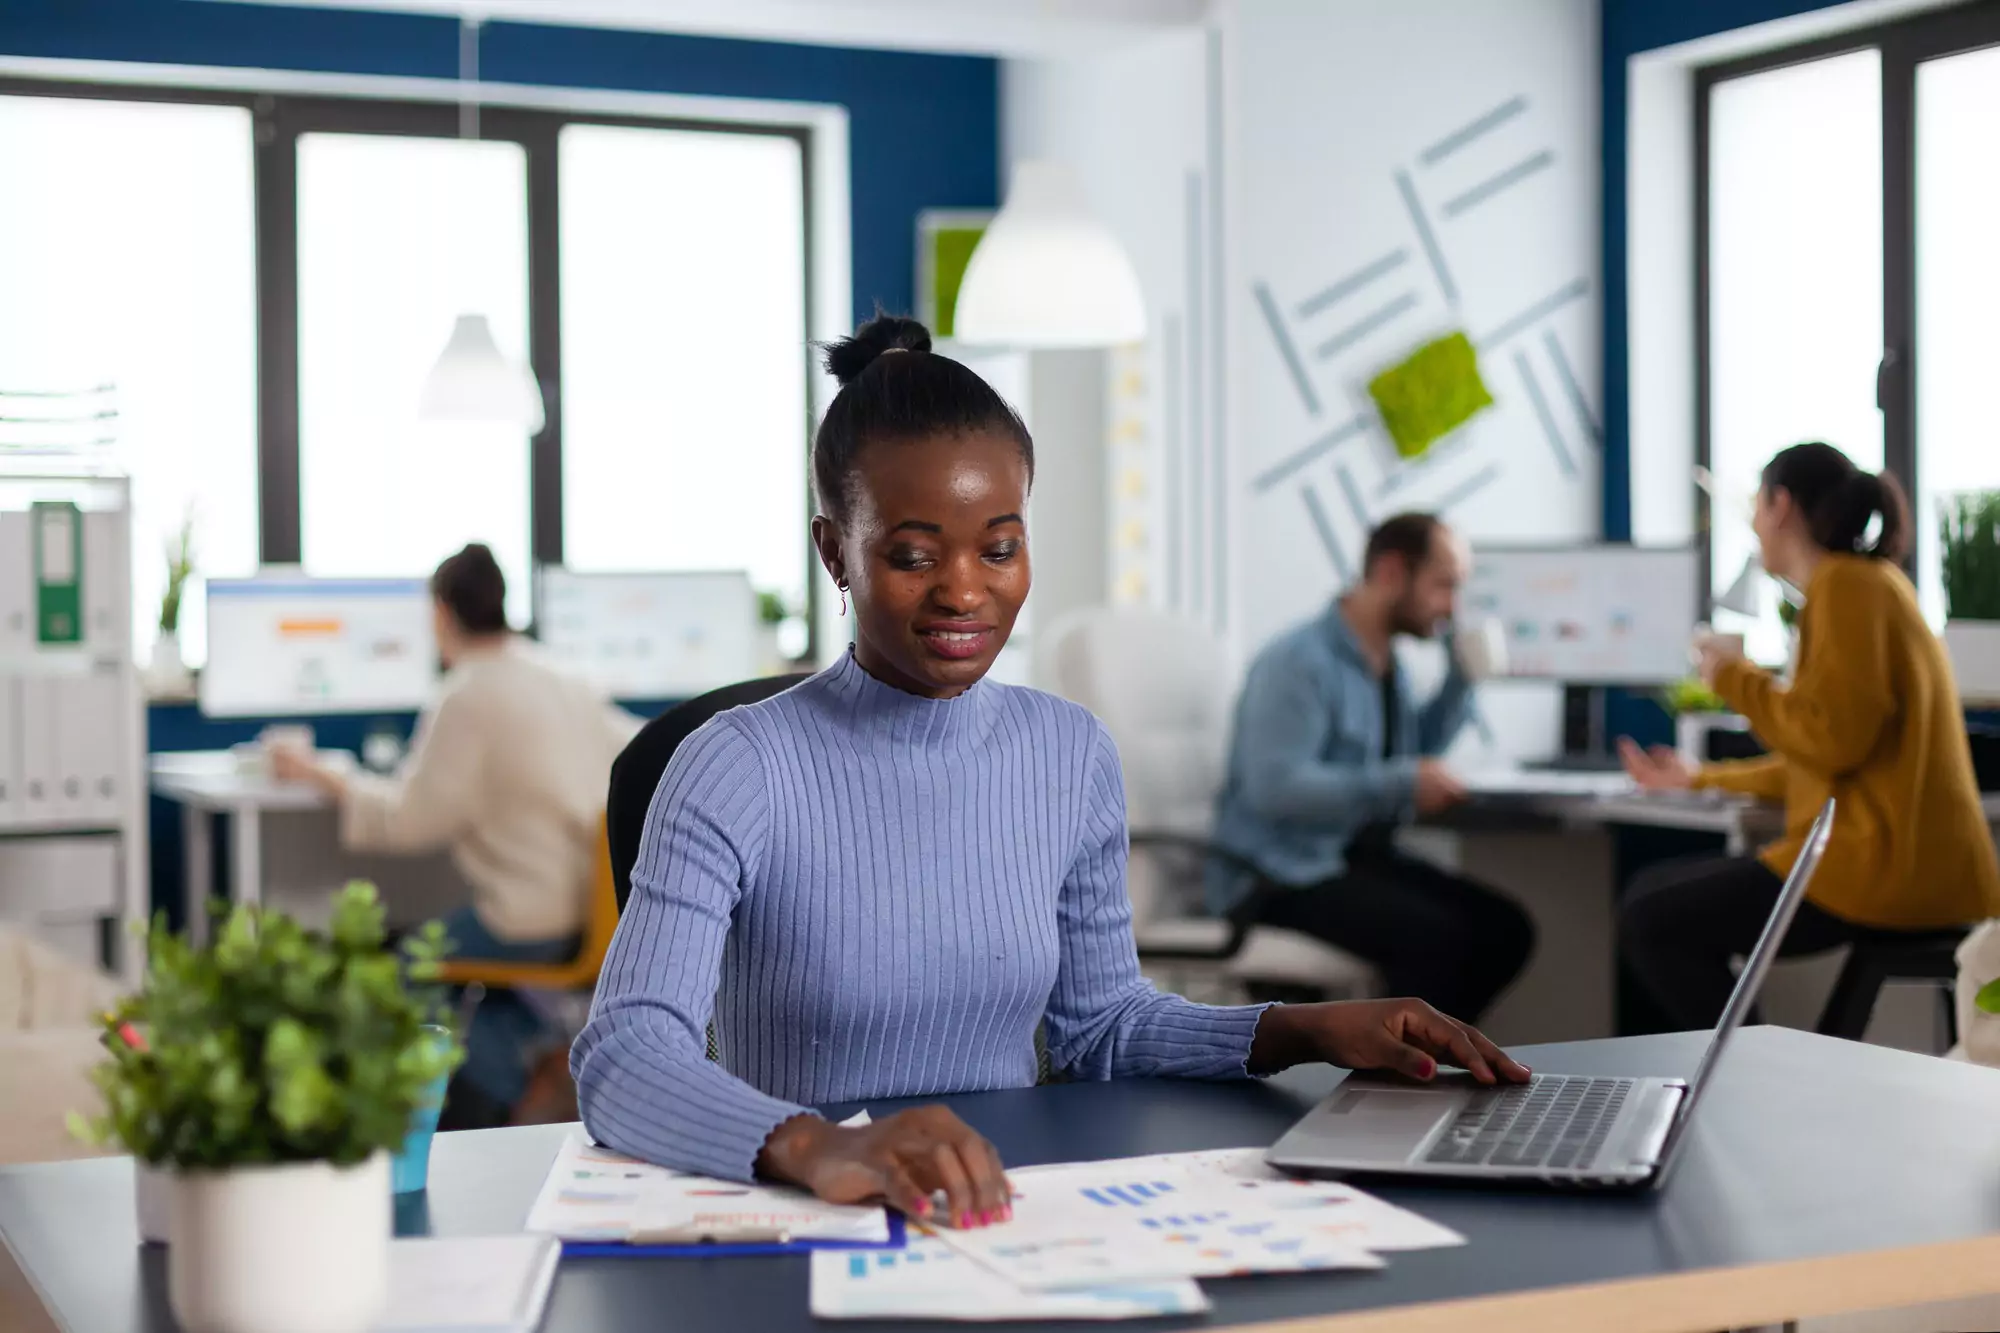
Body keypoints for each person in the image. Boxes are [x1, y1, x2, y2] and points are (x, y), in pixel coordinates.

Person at [571, 316, 1528, 1227]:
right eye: (912, 554)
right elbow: (624, 1050)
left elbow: (1100, 1026)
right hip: (810, 1220)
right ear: (835, 550)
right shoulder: (734, 766)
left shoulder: (1067, 752)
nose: (964, 589)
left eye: (999, 546)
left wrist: (1303, 1029)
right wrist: (818, 1147)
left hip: (1007, 1216)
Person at [1618, 441, 2000, 1029]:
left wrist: (1732, 676)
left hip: (1882, 871)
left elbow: (1832, 741)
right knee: (1652, 898)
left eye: (1755, 506)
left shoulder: (1846, 587)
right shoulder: (1868, 585)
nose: (1751, 523)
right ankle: (1746, 1079)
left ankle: (1748, 1085)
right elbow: (1825, 755)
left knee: (1651, 917)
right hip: (1902, 866)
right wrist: (1700, 777)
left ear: (1780, 505)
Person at [272, 543, 639, 1125]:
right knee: (477, 993)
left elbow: (406, 823)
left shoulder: (468, 693)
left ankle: (522, 1074)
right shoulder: (558, 676)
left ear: (441, 614)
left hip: (526, 913)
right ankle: (535, 1061)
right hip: (595, 907)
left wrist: (323, 774)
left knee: (404, 971)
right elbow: (636, 752)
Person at [1207, 515, 1535, 1022]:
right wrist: (1402, 782)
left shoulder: (1385, 661)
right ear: (1390, 573)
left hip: (1352, 858)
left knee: (1505, 929)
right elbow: (1276, 789)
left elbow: (1410, 751)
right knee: (1439, 940)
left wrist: (1461, 681)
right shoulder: (1298, 662)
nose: (1452, 605)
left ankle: (1433, 1064)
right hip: (1279, 876)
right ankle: (1404, 1079)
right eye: (1444, 585)